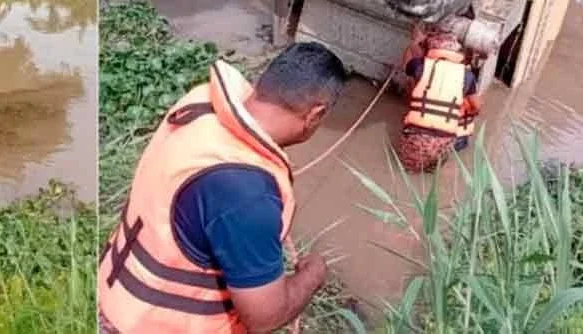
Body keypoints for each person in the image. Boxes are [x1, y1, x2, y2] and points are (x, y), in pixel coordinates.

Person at [99, 42, 348, 334]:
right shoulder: (247, 195)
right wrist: (313, 275)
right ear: (315, 114)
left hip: (114, 300)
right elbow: (264, 316)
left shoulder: (201, 105)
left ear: (261, 82)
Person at [396, 21, 482, 173]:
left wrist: (415, 41)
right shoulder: (467, 76)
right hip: (445, 142)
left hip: (415, 139)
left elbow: (407, 63)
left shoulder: (421, 67)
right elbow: (477, 107)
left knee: (407, 168)